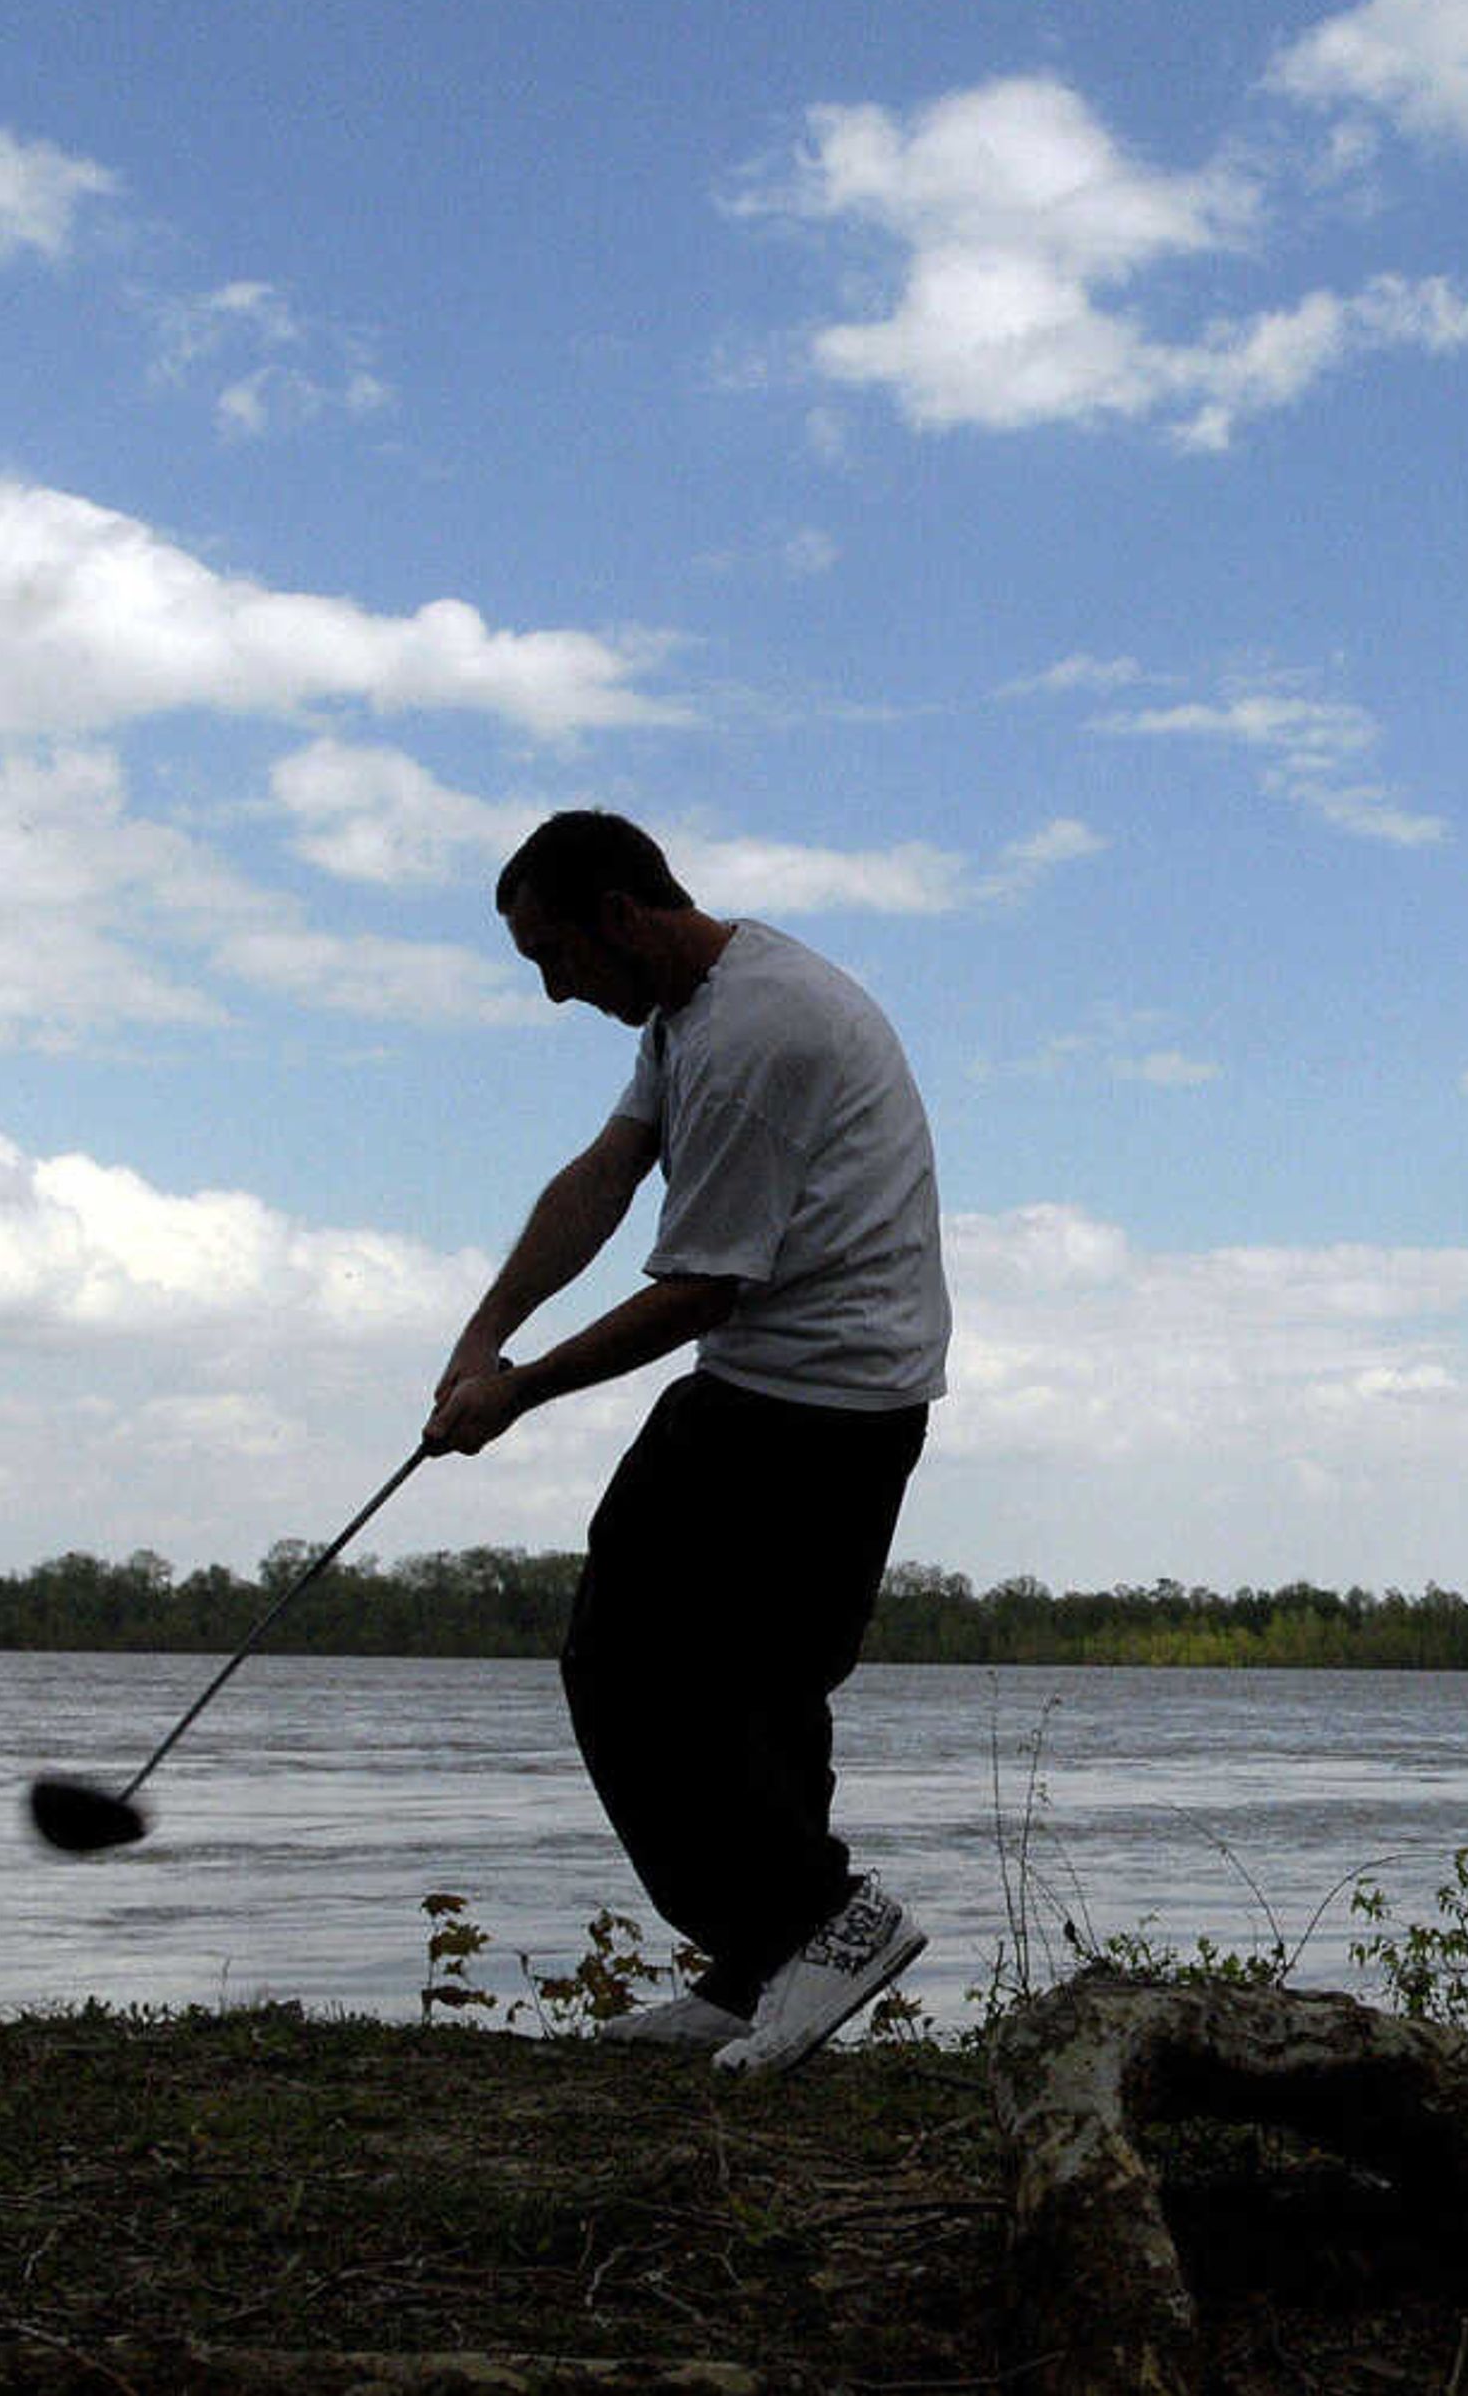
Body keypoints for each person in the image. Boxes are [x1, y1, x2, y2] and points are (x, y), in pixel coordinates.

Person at [423, 808, 947, 2073]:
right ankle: (762, 1967)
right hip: (802, 1384)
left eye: (555, 955)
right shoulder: (689, 1011)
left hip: (821, 1397)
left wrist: (520, 1391)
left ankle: (825, 1919)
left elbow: (700, 1288)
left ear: (620, 914)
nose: (554, 990)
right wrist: (483, 1331)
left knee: (623, 1662)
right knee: (756, 1686)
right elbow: (604, 1174)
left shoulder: (758, 1036)